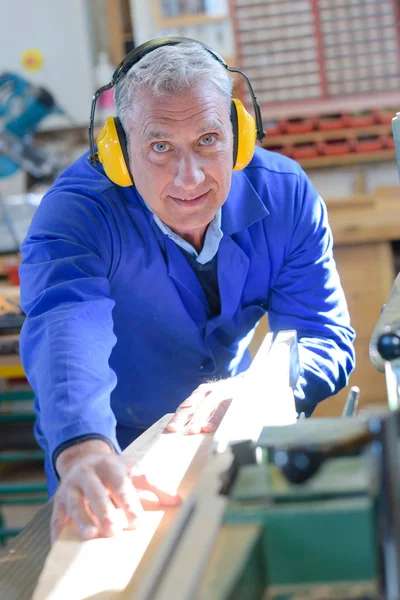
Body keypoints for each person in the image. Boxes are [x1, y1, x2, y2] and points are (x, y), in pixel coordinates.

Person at [19, 37, 355, 542]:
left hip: (233, 419)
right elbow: (65, 328)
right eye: (160, 147)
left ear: (239, 135)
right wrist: (84, 448)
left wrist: (255, 391)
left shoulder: (285, 196)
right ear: (118, 150)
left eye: (208, 139)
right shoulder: (77, 214)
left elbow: (323, 336)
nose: (190, 175)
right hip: (109, 438)